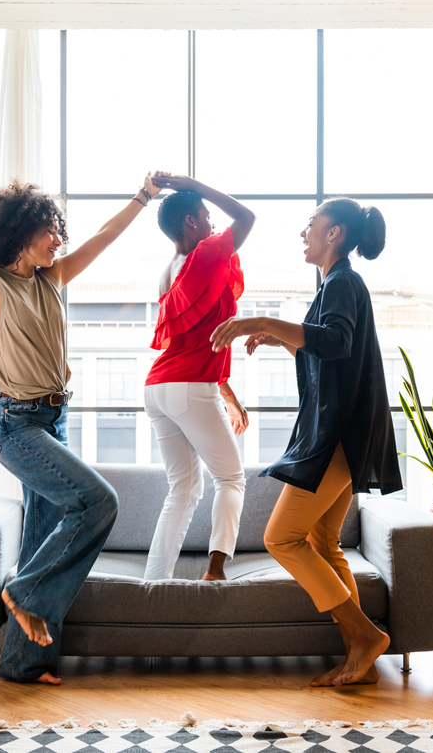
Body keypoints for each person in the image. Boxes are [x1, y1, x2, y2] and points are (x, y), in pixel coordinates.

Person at [0, 174, 164, 685]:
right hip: (16, 426)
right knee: (100, 501)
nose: (60, 240)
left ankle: (22, 664)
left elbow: (105, 234)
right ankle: (25, 590)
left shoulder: (53, 279)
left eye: (59, 231)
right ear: (20, 232)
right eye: (51, 231)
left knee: (40, 537)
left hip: (56, 420)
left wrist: (141, 197)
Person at [210, 198, 401, 688]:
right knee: (322, 540)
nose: (303, 233)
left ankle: (364, 635)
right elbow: (331, 347)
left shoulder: (342, 282)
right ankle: (361, 656)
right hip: (348, 431)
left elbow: (335, 341)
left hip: (338, 435)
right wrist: (284, 340)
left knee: (281, 537)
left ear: (334, 233)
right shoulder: (338, 284)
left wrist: (260, 322)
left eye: (311, 225)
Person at [142, 175, 256, 582]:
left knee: (184, 490)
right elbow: (246, 216)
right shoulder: (206, 253)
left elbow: (195, 339)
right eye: (206, 217)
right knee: (231, 479)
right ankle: (216, 570)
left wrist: (228, 395)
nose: (212, 224)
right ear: (190, 222)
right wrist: (189, 183)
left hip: (158, 388)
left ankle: (152, 587)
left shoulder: (167, 271)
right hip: (189, 385)